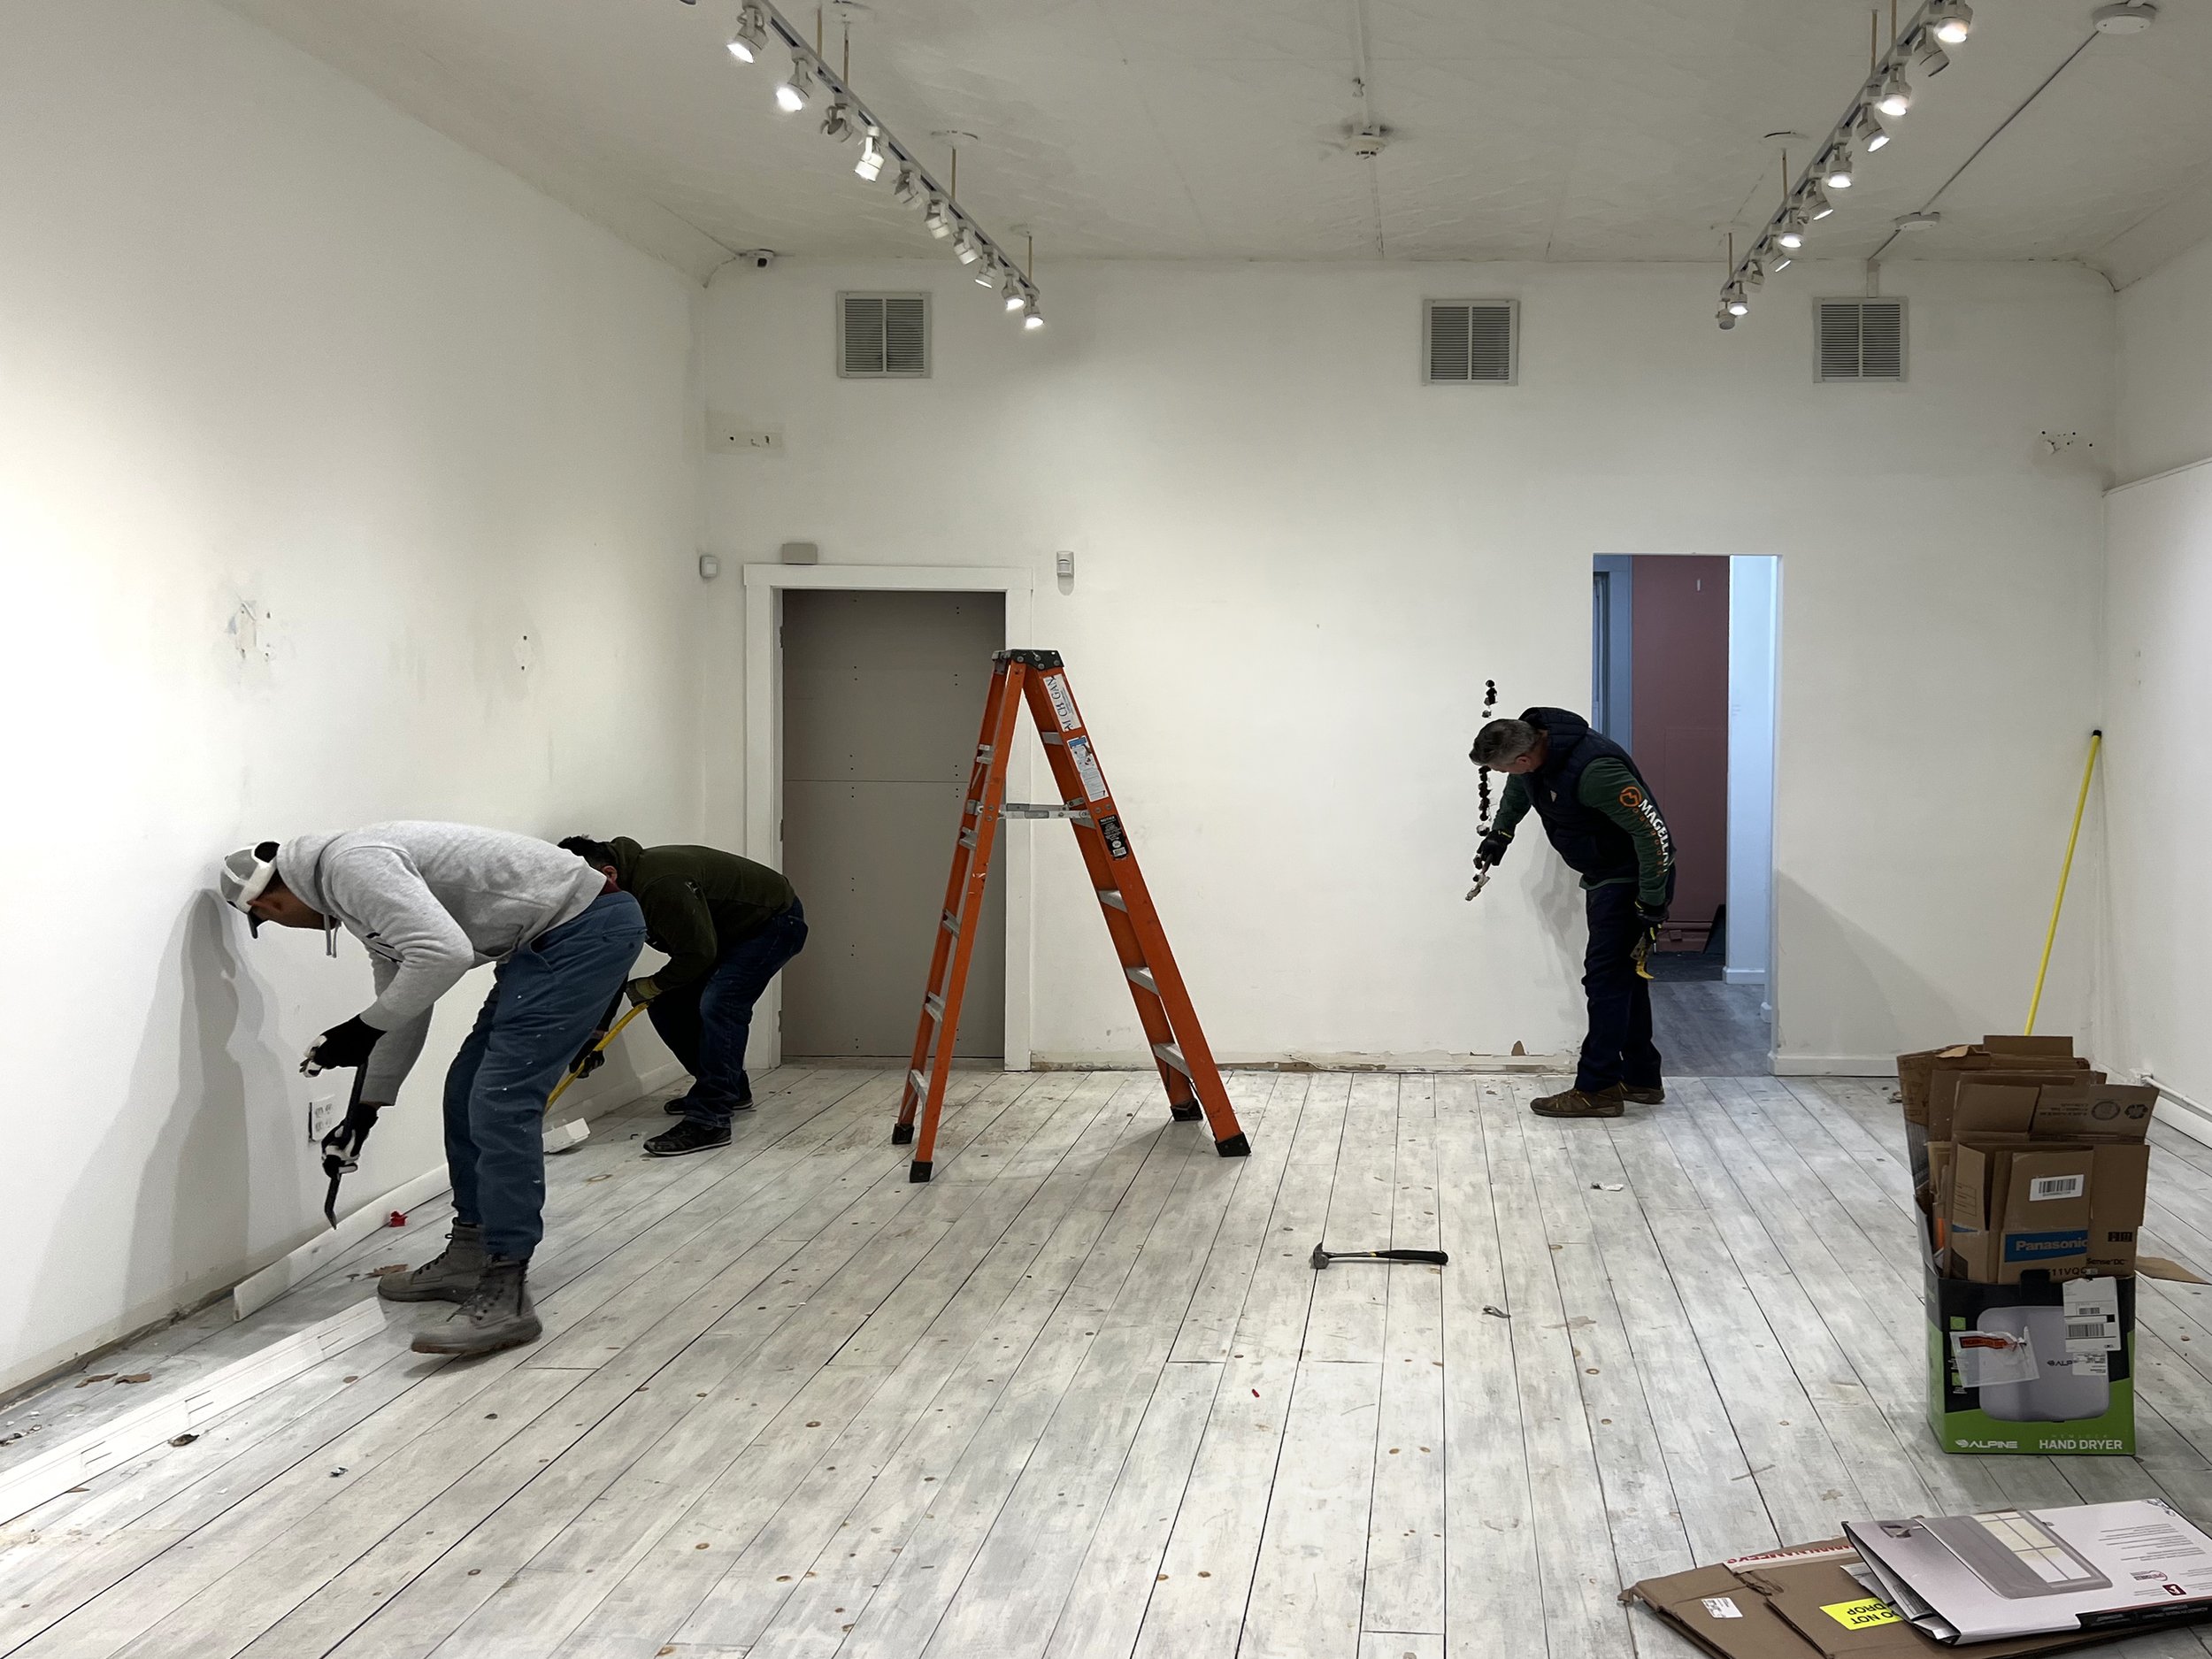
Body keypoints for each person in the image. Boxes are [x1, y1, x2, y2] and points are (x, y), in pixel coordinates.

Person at [219, 824, 645, 1356]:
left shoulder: (352, 866)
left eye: (269, 915)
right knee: (466, 1090)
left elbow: (443, 954)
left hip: (585, 932)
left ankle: (508, 1288)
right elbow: (406, 1003)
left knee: (501, 1100)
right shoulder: (355, 902)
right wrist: (364, 1111)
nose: (283, 924)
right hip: (545, 943)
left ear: (271, 900)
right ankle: (469, 1255)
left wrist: (360, 1029)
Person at [1469, 708, 1676, 1119]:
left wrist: (1652, 901)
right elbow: (1518, 788)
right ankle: (1641, 1079)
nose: (1505, 775)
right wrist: (1501, 833)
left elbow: (1653, 835)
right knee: (1624, 979)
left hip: (1632, 877)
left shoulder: (1595, 770)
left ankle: (1597, 1088)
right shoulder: (1535, 752)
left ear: (1524, 758)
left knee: (1604, 981)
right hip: (1605, 874)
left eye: (1502, 768)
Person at [557, 835, 806, 1158]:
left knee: (720, 1002)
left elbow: (698, 954)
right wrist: (596, 1032)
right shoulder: (616, 895)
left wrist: (652, 984)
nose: (580, 904)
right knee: (666, 1006)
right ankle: (731, 1090)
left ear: (608, 874)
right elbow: (614, 962)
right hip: (724, 933)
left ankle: (710, 1118)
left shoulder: (660, 885)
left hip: (773, 924)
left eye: (581, 893)